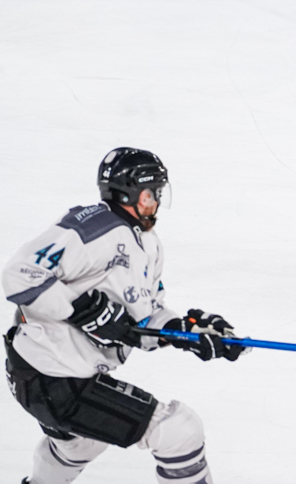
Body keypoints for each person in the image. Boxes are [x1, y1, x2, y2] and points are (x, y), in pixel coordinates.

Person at [3, 148, 249, 484]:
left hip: (53, 377)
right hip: (50, 375)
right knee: (178, 430)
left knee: (80, 446)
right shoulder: (91, 227)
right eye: (151, 194)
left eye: (159, 195)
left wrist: (186, 332)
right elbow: (19, 275)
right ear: (130, 192)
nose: (156, 204)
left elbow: (141, 320)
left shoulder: (148, 243)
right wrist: (82, 309)